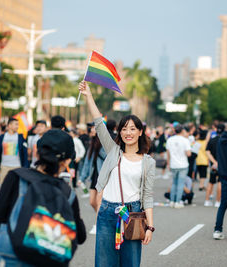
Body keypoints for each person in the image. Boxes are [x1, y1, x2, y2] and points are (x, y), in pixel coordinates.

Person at [79, 81, 155, 267]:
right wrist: (88, 95)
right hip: (107, 212)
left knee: (130, 263)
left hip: (132, 214)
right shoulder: (113, 151)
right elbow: (99, 124)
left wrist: (150, 227)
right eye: (124, 129)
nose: (127, 133)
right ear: (119, 132)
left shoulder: (148, 162)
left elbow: (148, 196)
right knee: (104, 263)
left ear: (140, 132)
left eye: (132, 129)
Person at [0, 129, 86, 266]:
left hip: (9, 257)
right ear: (67, 161)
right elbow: (80, 237)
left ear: (37, 153)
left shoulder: (16, 177)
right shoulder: (68, 193)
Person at [79, 125, 107, 234]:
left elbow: (107, 156)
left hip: (103, 175)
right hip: (94, 175)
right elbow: (87, 162)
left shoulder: (104, 144)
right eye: (92, 128)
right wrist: (82, 177)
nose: (92, 130)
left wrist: (98, 147)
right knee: (92, 202)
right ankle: (102, 219)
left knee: (99, 201)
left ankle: (97, 224)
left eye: (95, 128)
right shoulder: (92, 143)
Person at [0, 118, 29, 183]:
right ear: (9, 125)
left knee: (15, 189)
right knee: (4, 188)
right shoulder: (2, 137)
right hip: (4, 166)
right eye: (16, 124)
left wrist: (25, 167)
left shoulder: (20, 137)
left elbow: (25, 153)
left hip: (17, 167)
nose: (17, 126)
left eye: (18, 125)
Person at [166, 124, 192, 208]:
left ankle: (172, 201)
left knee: (174, 183)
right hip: (183, 164)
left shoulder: (169, 140)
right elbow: (188, 154)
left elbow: (168, 153)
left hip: (173, 164)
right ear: (182, 131)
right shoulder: (185, 140)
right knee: (181, 184)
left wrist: (168, 163)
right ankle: (178, 202)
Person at [204, 124, 224, 207]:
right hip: (222, 165)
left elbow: (207, 152)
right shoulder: (224, 140)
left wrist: (214, 162)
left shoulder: (212, 140)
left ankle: (207, 201)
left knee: (211, 182)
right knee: (220, 182)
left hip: (213, 165)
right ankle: (218, 202)